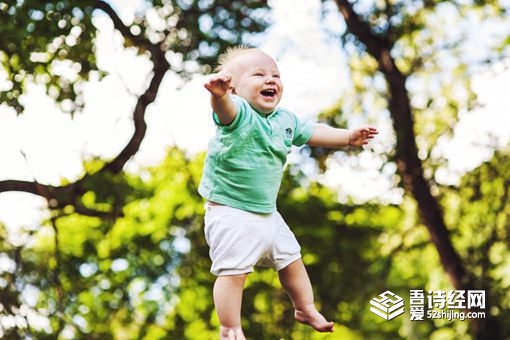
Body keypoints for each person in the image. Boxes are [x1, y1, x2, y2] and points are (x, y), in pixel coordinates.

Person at [199, 45, 378, 340]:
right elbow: (225, 111)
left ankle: (305, 307)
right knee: (234, 273)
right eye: (259, 74)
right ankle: (229, 327)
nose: (270, 80)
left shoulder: (285, 120)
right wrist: (218, 96)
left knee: (292, 260)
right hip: (231, 213)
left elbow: (313, 132)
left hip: (268, 214)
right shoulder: (239, 113)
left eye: (275, 75)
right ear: (235, 88)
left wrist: (347, 137)